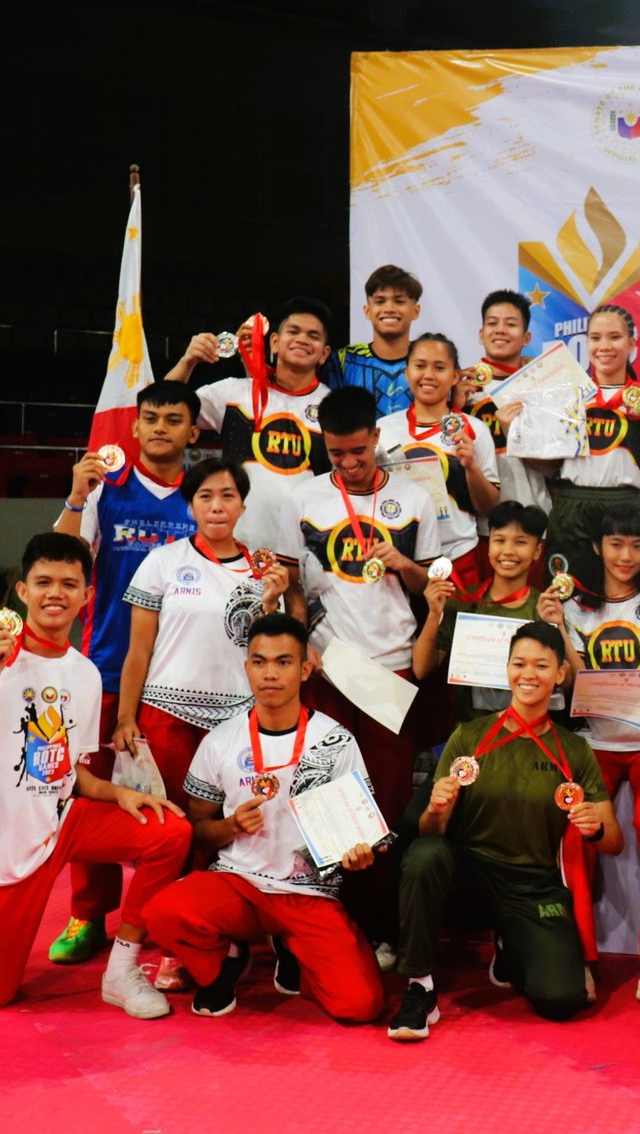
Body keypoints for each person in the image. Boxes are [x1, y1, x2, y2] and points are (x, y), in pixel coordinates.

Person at [0, 533, 189, 1018]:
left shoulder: (84, 674)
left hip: (61, 825)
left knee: (171, 833)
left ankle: (121, 970)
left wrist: (117, 793)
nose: (57, 593)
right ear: (23, 591)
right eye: (44, 581)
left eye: (69, 583)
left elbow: (70, 772)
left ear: (87, 596)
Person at [142, 613, 388, 1023]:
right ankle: (225, 964)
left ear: (305, 669)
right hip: (238, 884)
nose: (269, 673)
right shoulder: (221, 740)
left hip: (308, 894)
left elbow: (361, 832)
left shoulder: (335, 740)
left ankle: (294, 950)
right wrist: (231, 825)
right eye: (259, 662)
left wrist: (361, 853)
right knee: (161, 912)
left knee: (360, 1006)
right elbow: (198, 831)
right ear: (247, 667)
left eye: (283, 662)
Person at [389, 621, 622, 1040]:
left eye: (541, 665)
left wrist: (592, 827)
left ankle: (512, 948)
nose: (528, 675)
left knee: (563, 1000)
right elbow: (428, 830)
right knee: (424, 856)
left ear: (560, 674)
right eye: (519, 664)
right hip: (471, 879)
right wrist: (438, 808)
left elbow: (613, 841)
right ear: (507, 669)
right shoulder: (470, 736)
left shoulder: (575, 750)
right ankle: (418, 987)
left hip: (534, 888)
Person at [281, 385, 441, 970]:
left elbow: (432, 590)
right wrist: (302, 646)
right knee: (327, 803)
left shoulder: (414, 499)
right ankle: (328, 927)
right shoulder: (302, 500)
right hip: (327, 669)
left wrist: (408, 566)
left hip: (390, 669)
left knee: (387, 805)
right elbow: (292, 588)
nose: (347, 464)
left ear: (377, 438)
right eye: (336, 453)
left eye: (357, 451)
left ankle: (384, 928)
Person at [117, 458, 290, 988]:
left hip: (238, 720)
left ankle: (225, 932)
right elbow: (138, 648)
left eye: (228, 496)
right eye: (206, 497)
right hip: (168, 715)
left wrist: (280, 595)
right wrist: (126, 716)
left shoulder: (264, 569)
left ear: (243, 503)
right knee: (174, 835)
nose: (217, 507)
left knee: (226, 832)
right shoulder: (161, 563)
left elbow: (285, 646)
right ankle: (171, 942)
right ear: (190, 505)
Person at [46, 380, 201, 965]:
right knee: (89, 796)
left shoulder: (204, 497)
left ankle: (165, 918)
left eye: (174, 419)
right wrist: (75, 497)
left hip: (179, 681)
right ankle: (87, 916)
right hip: (104, 670)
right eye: (151, 418)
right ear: (133, 429)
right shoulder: (104, 492)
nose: (161, 427)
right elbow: (58, 561)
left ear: (193, 430)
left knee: (177, 805)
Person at [541, 500, 640, 1004]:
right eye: (616, 543)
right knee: (574, 826)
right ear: (597, 547)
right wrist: (559, 630)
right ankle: (579, 955)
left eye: (636, 544)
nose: (626, 554)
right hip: (595, 746)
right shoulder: (577, 605)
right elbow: (570, 681)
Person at [165, 297, 336, 551]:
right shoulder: (234, 393)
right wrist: (188, 361)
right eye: (293, 331)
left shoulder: (331, 407)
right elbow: (165, 410)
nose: (302, 339)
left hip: (305, 550)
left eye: (313, 335)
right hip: (236, 547)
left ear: (324, 354)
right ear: (275, 342)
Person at [536, 304, 640, 586]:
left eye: (614, 337)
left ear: (632, 343)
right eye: (595, 338)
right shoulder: (568, 396)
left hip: (623, 505)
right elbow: (548, 466)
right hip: (571, 503)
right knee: (566, 592)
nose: (604, 346)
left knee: (625, 592)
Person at [376, 333, 500, 588]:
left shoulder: (474, 430)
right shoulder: (383, 430)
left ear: (455, 376)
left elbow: (489, 508)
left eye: (440, 367)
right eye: (420, 366)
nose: (429, 375)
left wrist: (470, 467)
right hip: (399, 555)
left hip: (457, 556)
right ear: (407, 371)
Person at [414, 499, 549, 722]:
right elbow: (421, 669)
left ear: (537, 550)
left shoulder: (543, 609)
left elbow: (566, 680)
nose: (508, 551)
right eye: (499, 540)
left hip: (529, 733)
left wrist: (559, 625)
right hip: (470, 734)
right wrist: (433, 614)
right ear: (488, 547)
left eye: (521, 542)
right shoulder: (464, 603)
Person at [462, 289, 551, 516]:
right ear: (481, 334)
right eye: (493, 323)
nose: (500, 330)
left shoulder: (544, 389)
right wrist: (452, 406)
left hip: (532, 520)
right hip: (475, 526)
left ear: (526, 338)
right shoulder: (462, 388)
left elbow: (553, 468)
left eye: (510, 324)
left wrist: (514, 434)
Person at [335, 264, 423, 415]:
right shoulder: (343, 359)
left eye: (399, 301)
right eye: (380, 301)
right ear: (367, 311)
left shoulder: (433, 360)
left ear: (416, 311)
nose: (389, 308)